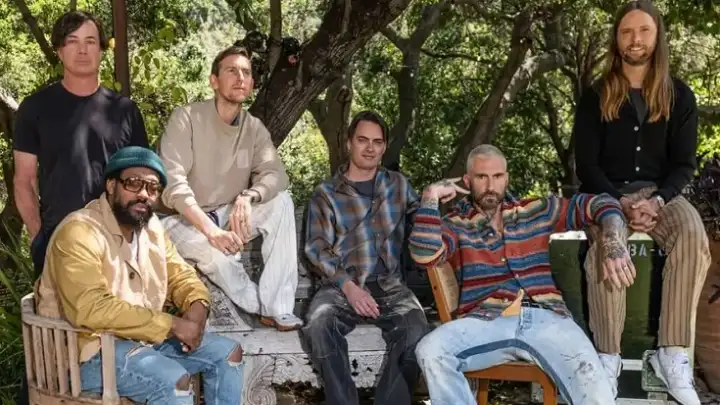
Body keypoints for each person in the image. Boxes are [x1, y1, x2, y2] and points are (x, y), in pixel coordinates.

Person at [409, 144, 631, 405]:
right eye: (481, 177)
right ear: (467, 181)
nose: (490, 186)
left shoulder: (535, 210)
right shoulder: (455, 224)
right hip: (486, 322)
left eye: (497, 176)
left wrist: (612, 239)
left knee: (596, 392)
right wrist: (430, 197)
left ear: (507, 178)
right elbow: (424, 255)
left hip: (548, 319)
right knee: (430, 350)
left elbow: (601, 203)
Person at [573, 2, 710, 403]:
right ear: (617, 39)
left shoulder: (679, 95)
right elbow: (587, 166)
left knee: (692, 234)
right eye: (627, 31)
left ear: (657, 36)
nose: (635, 39)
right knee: (609, 246)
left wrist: (658, 201)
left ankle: (672, 354)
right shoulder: (596, 95)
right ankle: (608, 359)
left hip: (660, 196)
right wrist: (619, 204)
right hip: (606, 195)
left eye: (644, 30)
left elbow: (684, 166)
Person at [34, 147, 243, 404]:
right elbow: (90, 308)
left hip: (144, 342)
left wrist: (198, 306)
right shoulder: (80, 231)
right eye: (133, 183)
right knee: (174, 381)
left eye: (153, 188)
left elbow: (181, 274)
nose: (143, 194)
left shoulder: (152, 230)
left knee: (228, 353)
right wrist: (172, 324)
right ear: (111, 185)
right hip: (88, 353)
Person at [158, 45, 301, 331]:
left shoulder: (254, 128)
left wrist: (249, 196)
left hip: (227, 215)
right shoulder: (186, 118)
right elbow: (173, 185)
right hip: (181, 221)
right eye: (231, 71)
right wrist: (212, 232)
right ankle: (261, 307)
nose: (240, 78)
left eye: (246, 72)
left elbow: (276, 175)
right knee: (217, 256)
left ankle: (279, 308)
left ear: (252, 83)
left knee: (281, 201)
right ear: (214, 80)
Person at [302, 111, 429, 405]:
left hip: (390, 286)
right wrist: (349, 287)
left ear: (384, 147)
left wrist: (432, 200)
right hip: (341, 287)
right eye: (362, 140)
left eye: (377, 142)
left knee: (417, 331)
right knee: (319, 325)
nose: (370, 148)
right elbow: (317, 248)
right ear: (349, 143)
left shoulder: (398, 185)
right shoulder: (326, 194)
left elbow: (422, 223)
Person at [13, 10, 149, 278]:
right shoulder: (35, 108)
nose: (82, 50)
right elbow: (23, 180)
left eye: (90, 41)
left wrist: (132, 235)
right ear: (59, 50)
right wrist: (39, 236)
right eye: (72, 41)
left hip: (116, 243)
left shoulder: (125, 111)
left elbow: (141, 179)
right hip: (58, 240)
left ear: (101, 50)